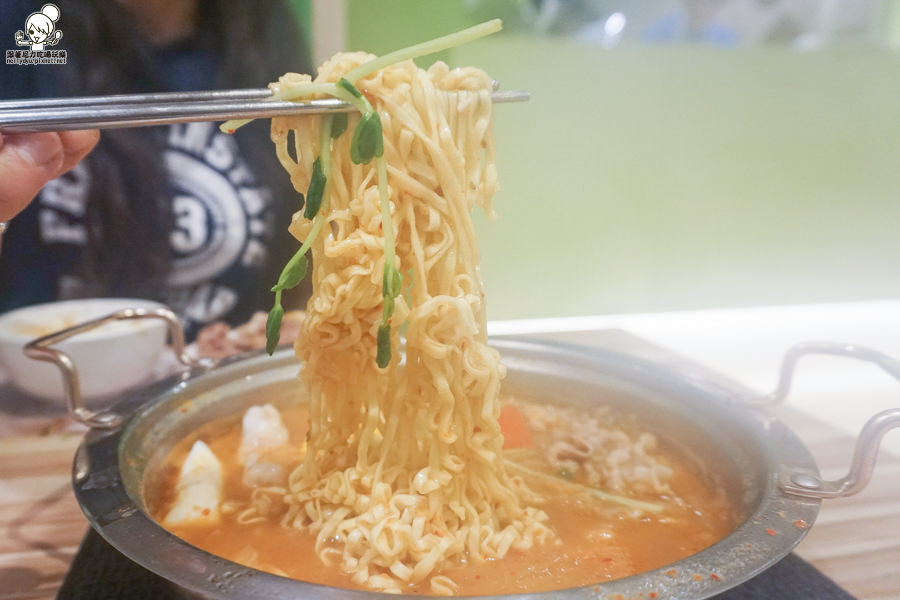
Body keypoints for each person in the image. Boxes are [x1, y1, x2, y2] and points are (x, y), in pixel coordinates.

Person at [0, 0, 312, 338]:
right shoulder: (24, 26)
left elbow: (301, 235)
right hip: (36, 375)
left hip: (224, 368)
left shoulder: (262, 25)